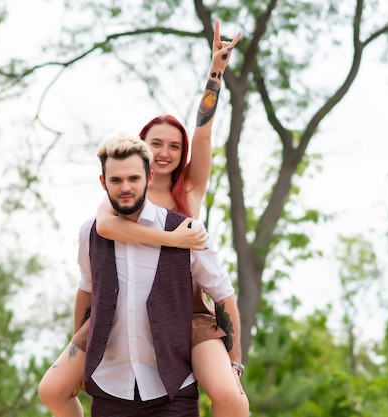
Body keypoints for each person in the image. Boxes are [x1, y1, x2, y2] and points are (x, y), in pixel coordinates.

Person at [39, 19, 248, 416]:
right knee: (52, 389)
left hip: (183, 306)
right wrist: (173, 240)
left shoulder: (187, 192)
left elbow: (203, 133)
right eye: (157, 144)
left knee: (229, 395)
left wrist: (215, 74)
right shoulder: (123, 193)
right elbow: (101, 233)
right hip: (120, 305)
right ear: (144, 152)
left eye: (174, 145)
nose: (166, 151)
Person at [84, 135, 242, 416]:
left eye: (134, 178)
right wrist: (82, 357)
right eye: (116, 180)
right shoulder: (91, 232)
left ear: (150, 177)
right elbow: (86, 292)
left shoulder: (187, 231)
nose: (125, 187)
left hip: (172, 391)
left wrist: (235, 361)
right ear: (102, 182)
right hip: (110, 390)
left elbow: (223, 294)